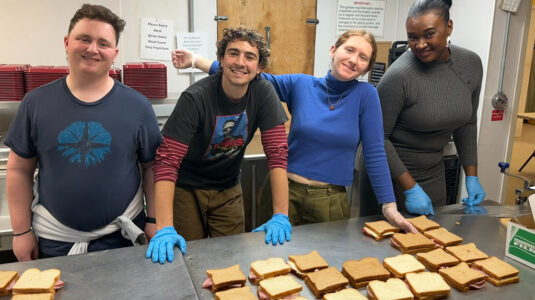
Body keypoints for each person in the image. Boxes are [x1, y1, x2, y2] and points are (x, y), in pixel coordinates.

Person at [169, 29, 417, 233]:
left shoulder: (367, 96)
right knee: (270, 269)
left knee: (324, 273)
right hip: (283, 193)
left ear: (366, 68)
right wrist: (194, 60)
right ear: (333, 51)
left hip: (330, 201)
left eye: (363, 58)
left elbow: (374, 153)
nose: (354, 60)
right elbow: (246, 74)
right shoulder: (302, 84)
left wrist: (389, 206)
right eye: (349, 50)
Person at [4, 4, 161, 260]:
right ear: (67, 42)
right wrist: (21, 232)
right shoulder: (35, 104)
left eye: (103, 43)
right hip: (54, 242)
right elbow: (18, 170)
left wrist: (155, 219)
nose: (92, 49)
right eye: (84, 39)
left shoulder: (138, 107)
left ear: (115, 52)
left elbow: (152, 168)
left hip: (123, 239)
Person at [146, 27, 292, 264]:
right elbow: (167, 161)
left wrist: (280, 215)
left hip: (228, 189)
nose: (240, 62)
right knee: (187, 261)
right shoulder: (195, 98)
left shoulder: (264, 92)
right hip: (186, 190)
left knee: (231, 261)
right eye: (233, 53)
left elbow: (277, 154)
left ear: (259, 68)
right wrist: (164, 226)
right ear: (221, 60)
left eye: (250, 56)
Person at [359, 0, 486, 216]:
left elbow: (468, 122)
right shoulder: (398, 76)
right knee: (388, 246)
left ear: (449, 28)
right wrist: (410, 188)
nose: (419, 44)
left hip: (434, 171)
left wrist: (472, 175)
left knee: (435, 239)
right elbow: (377, 138)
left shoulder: (471, 64)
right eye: (412, 37)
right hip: (392, 175)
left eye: (429, 34)